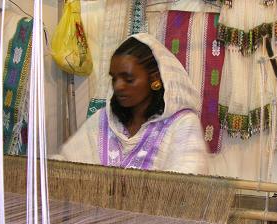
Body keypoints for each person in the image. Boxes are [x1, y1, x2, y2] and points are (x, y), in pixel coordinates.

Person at [56, 33, 207, 175]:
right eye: (114, 78)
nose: (118, 86)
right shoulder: (103, 120)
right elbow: (66, 165)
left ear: (154, 79)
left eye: (128, 79)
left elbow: (188, 183)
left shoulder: (182, 123)